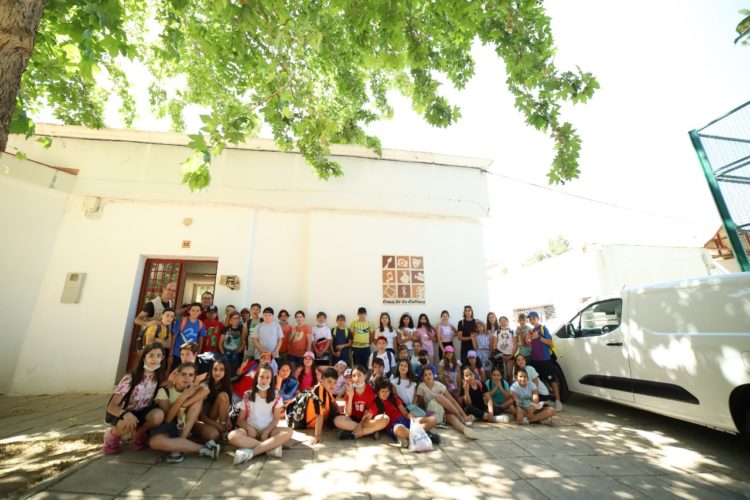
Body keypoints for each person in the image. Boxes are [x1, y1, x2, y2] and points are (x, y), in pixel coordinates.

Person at [148, 362, 220, 463]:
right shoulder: (165, 391)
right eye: (183, 374)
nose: (186, 378)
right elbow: (169, 419)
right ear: (176, 375)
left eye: (190, 375)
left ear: (194, 377)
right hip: (170, 426)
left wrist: (184, 406)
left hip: (187, 425)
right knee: (154, 442)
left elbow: (206, 390)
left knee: (213, 435)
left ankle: (180, 443)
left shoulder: (192, 389)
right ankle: (204, 448)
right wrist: (182, 398)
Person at [103, 343, 166, 454]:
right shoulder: (131, 377)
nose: (155, 359)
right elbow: (111, 406)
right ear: (144, 358)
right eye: (151, 355)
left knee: (158, 415)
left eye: (158, 355)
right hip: (125, 412)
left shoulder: (159, 377)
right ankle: (112, 435)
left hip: (143, 412)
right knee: (126, 424)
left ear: (162, 358)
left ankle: (138, 433)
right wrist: (125, 414)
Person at [230, 363, 293, 463]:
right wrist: (249, 428)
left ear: (271, 379)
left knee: (289, 431)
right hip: (251, 431)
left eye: (268, 377)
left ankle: (251, 453)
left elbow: (276, 418)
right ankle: (269, 447)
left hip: (269, 430)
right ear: (256, 377)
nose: (264, 380)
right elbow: (240, 420)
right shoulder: (248, 394)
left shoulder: (277, 394)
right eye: (261, 377)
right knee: (232, 436)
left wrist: (267, 432)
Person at [366, 377, 439, 448]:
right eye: (382, 391)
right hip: (394, 426)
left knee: (433, 420)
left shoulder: (393, 397)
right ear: (377, 391)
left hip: (405, 420)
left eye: (387, 391)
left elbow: (404, 412)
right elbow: (369, 420)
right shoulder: (375, 404)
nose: (385, 394)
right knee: (399, 429)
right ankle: (422, 435)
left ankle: (411, 436)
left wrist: (409, 415)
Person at [415, 367, 477, 439]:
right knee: (439, 397)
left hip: (442, 412)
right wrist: (426, 418)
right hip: (431, 413)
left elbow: (452, 400)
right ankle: (460, 417)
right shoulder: (421, 387)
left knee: (452, 418)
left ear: (433, 375)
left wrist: (464, 414)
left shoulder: (439, 385)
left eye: (430, 374)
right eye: (425, 375)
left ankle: (464, 429)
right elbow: (421, 405)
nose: (428, 376)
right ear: (422, 378)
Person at [337, 365, 389, 440]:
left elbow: (368, 415)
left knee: (385, 419)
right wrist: (350, 396)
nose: (356, 378)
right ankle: (370, 431)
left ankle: (352, 434)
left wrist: (360, 425)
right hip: (353, 419)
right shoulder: (350, 390)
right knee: (337, 420)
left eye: (359, 375)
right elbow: (348, 413)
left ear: (365, 376)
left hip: (367, 420)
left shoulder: (371, 391)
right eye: (354, 376)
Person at [527, 311, 563, 411]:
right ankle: (541, 400)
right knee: (537, 381)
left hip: (545, 360)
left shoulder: (543, 328)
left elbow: (550, 342)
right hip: (535, 360)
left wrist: (539, 337)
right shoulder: (530, 331)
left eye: (533, 318)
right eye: (530, 319)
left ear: (538, 318)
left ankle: (558, 401)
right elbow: (531, 345)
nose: (531, 320)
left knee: (551, 380)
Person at [306, 367, 349, 445]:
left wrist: (340, 411)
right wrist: (317, 436)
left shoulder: (325, 388)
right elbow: (319, 415)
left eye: (335, 382)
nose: (332, 385)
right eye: (329, 381)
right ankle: (361, 428)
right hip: (313, 423)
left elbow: (333, 401)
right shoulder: (319, 389)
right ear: (322, 380)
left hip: (325, 419)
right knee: (340, 420)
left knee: (345, 416)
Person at [193, 358, 232, 443]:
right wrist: (217, 426)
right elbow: (200, 416)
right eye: (215, 369)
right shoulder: (205, 386)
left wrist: (227, 419)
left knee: (223, 395)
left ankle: (223, 429)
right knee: (213, 435)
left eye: (221, 369)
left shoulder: (225, 385)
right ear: (211, 370)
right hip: (199, 420)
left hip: (213, 418)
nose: (217, 372)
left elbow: (225, 407)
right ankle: (222, 431)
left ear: (226, 372)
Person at [133, 283, 176, 350]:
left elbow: (175, 312)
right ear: (164, 290)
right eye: (169, 289)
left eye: (173, 291)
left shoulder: (170, 303)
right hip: (148, 342)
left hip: (161, 343)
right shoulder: (151, 304)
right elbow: (137, 320)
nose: (171, 292)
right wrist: (148, 323)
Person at [169, 302, 206, 372]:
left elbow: (201, 340)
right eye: (193, 310)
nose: (195, 312)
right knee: (175, 372)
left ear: (200, 312)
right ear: (189, 311)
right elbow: (173, 337)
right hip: (178, 353)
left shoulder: (201, 324)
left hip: (191, 355)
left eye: (197, 311)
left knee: (187, 372)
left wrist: (198, 353)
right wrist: (171, 353)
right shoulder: (182, 320)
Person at [219, 311, 245, 376]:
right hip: (225, 353)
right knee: (224, 372)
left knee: (233, 372)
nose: (235, 320)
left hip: (235, 354)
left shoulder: (242, 328)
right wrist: (222, 353)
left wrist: (239, 351)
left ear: (239, 319)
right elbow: (220, 343)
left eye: (237, 318)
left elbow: (244, 342)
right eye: (233, 318)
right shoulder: (226, 328)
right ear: (230, 319)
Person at [493, 315, 516, 382]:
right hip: (500, 356)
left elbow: (515, 345)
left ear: (507, 321)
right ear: (499, 323)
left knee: (509, 374)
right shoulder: (497, 332)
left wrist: (511, 355)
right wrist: (500, 355)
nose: (503, 322)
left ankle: (510, 389)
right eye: (501, 321)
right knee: (500, 374)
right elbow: (494, 346)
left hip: (510, 355)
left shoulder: (512, 332)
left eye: (504, 320)